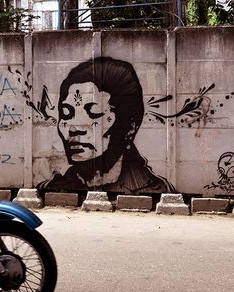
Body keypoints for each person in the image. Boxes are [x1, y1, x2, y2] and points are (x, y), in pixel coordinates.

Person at [37, 57, 175, 194]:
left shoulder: (150, 189)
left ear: (130, 128)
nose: (73, 128)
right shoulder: (55, 186)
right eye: (66, 114)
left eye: (93, 113)